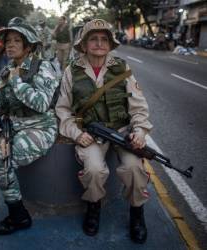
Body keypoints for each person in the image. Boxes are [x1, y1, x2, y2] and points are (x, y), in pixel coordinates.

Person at [55, 19, 153, 243]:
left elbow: (138, 107)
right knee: (94, 170)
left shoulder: (122, 67)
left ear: (110, 44)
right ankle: (94, 208)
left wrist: (139, 132)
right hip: (90, 134)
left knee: (133, 168)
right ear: (84, 44)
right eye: (93, 39)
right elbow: (62, 109)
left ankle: (137, 214)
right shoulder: (73, 70)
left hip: (122, 131)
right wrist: (76, 133)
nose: (99, 43)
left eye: (104, 39)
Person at [0, 17, 59, 235]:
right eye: (8, 41)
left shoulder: (43, 67)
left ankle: (19, 216)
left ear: (28, 46)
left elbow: (42, 103)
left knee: (0, 161)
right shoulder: (7, 70)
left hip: (40, 128)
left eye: (17, 40)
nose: (10, 45)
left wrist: (17, 82)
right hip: (12, 126)